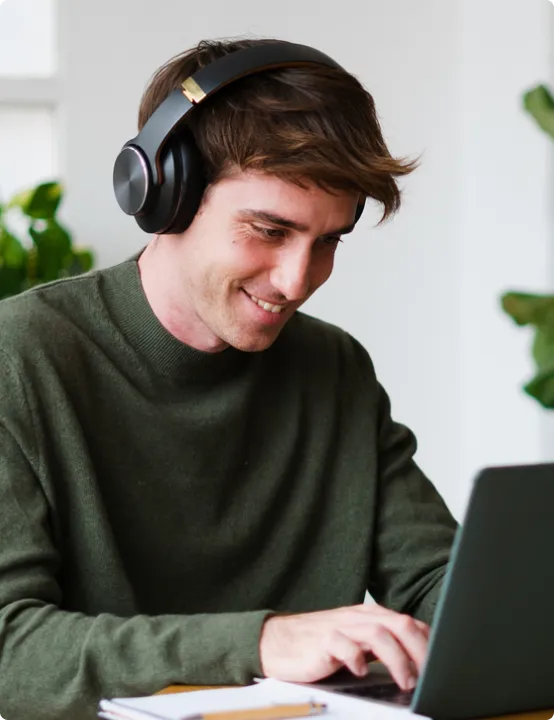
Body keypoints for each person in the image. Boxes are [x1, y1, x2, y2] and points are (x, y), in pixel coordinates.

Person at [0, 37, 457, 720]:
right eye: (269, 229)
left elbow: (436, 582)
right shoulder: (21, 357)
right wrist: (262, 642)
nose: (298, 279)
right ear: (164, 195)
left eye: (328, 240)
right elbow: (11, 649)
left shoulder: (335, 370)